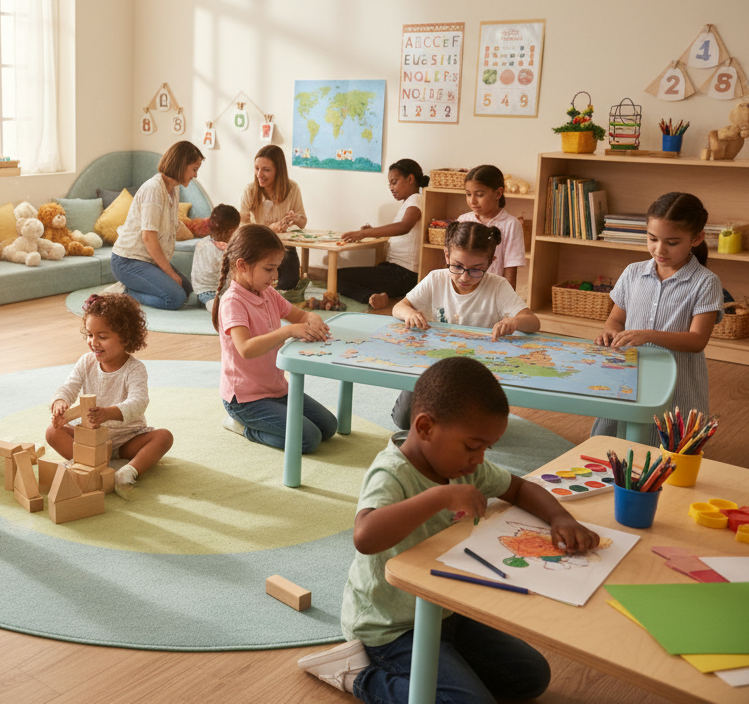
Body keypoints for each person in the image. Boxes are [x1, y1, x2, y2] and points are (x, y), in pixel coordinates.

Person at [300, 357, 599, 702]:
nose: (479, 458)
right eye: (473, 446)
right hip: (391, 627)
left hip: (446, 609)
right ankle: (360, 677)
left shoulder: (465, 466)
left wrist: (562, 518)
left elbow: (519, 488)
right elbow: (365, 536)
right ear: (425, 427)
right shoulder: (392, 473)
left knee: (531, 678)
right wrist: (439, 497)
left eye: (487, 447)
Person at [591, 192, 722, 441]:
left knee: (668, 445)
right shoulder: (633, 272)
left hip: (676, 379)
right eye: (652, 239)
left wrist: (647, 336)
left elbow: (697, 341)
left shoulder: (706, 282)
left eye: (672, 243)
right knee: (615, 438)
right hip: (629, 372)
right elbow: (616, 319)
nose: (659, 249)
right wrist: (609, 330)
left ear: (697, 238)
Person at [390, 221, 540, 428]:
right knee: (404, 419)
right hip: (435, 364)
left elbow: (533, 322)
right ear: (447, 256)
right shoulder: (436, 279)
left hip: (476, 371)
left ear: (490, 263)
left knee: (473, 428)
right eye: (457, 266)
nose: (465, 276)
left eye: (476, 270)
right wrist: (409, 312)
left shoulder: (498, 286)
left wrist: (514, 321)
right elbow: (398, 307)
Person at [214, 224, 338, 452]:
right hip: (245, 400)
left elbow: (298, 315)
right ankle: (242, 427)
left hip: (277, 389)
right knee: (308, 439)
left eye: (277, 268)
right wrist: (288, 331)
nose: (276, 276)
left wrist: (311, 317)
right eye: (269, 269)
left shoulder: (267, 293)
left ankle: (268, 419)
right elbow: (245, 348)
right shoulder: (233, 302)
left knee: (329, 427)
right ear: (242, 265)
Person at [47, 293, 172, 489]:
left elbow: (138, 403)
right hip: (91, 439)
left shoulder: (135, 369)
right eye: (89, 335)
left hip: (127, 440)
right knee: (52, 432)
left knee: (164, 437)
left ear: (125, 337)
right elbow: (69, 386)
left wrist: (108, 413)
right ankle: (88, 464)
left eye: (102, 337)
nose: (93, 342)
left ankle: (128, 471)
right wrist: (60, 402)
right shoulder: (86, 362)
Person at [111, 140, 205, 310]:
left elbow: (172, 224)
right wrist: (170, 273)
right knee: (175, 299)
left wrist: (199, 230)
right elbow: (148, 236)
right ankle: (126, 292)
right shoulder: (154, 190)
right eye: (194, 169)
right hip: (128, 262)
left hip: (148, 261)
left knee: (187, 290)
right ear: (181, 165)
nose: (196, 175)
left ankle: (139, 286)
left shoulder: (173, 189)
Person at [337, 159, 428, 310]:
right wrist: (373, 231)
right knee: (350, 275)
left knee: (336, 276)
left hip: (403, 274)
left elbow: (404, 227)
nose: (391, 188)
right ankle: (378, 296)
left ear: (410, 179)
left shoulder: (416, 199)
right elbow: (400, 232)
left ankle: (370, 297)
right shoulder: (409, 202)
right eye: (389, 184)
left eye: (394, 182)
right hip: (399, 273)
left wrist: (365, 233)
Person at [240, 144, 307, 290]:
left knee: (288, 285)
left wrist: (295, 218)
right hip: (258, 248)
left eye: (266, 170)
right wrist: (268, 229)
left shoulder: (292, 188)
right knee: (257, 283)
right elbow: (242, 225)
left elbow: (303, 222)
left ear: (278, 171)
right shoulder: (250, 190)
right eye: (257, 168)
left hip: (284, 248)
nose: (259, 175)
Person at [457, 164, 526, 289]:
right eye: (468, 194)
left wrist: (507, 304)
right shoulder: (463, 220)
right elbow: (453, 262)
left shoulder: (511, 224)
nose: (472, 201)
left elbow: (510, 271)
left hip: (493, 294)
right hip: (464, 290)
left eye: (479, 194)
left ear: (498, 193)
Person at [191, 204, 241, 311]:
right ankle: (213, 306)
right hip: (209, 292)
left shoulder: (201, 243)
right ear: (231, 231)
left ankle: (198, 299)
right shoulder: (220, 250)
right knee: (223, 306)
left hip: (201, 290)